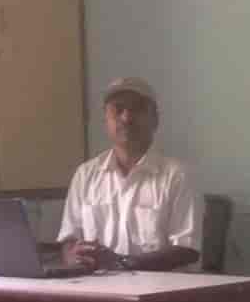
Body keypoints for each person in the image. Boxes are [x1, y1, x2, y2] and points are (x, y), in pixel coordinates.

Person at [57, 78, 203, 272]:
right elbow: (69, 240)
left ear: (155, 120)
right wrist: (74, 257)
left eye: (137, 108)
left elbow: (187, 250)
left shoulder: (178, 175)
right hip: (97, 285)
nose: (126, 118)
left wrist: (122, 262)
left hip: (162, 287)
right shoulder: (85, 174)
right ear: (106, 120)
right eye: (118, 109)